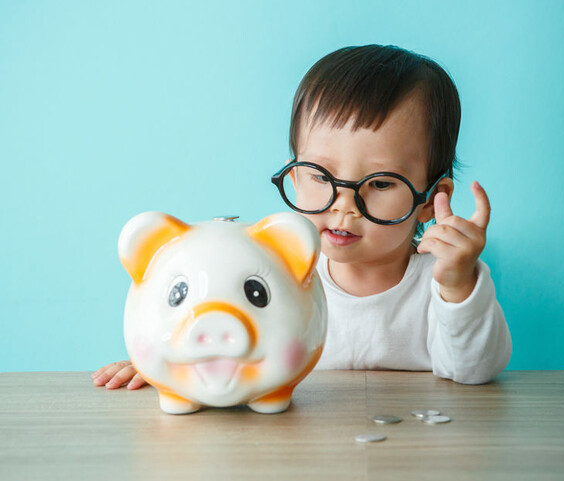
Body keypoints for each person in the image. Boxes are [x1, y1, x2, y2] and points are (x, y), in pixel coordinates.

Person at [93, 44, 511, 390]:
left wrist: (459, 284)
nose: (343, 205)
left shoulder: (443, 283)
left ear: (430, 199)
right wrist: (170, 368)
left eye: (381, 184)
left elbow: (473, 372)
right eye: (320, 175)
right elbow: (226, 347)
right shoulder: (269, 279)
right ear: (293, 176)